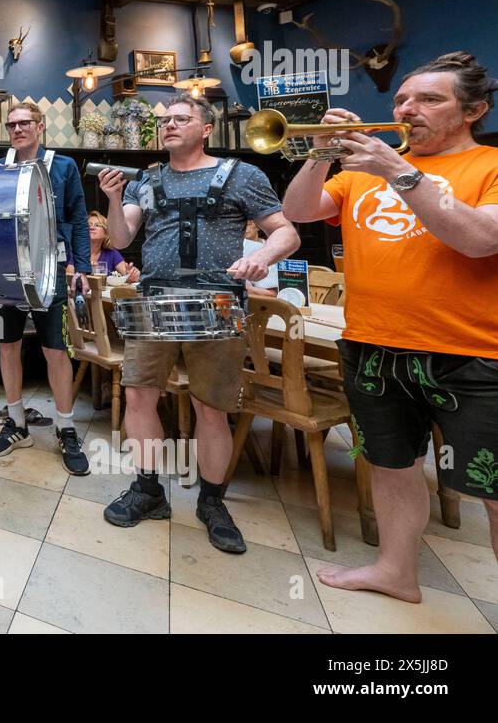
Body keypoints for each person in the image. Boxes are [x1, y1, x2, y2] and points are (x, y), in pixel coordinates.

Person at [281, 52, 498, 601]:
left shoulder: (489, 167)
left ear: (474, 109)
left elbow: (479, 239)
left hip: (473, 354)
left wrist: (400, 172)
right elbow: (299, 211)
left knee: (494, 489)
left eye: (430, 99)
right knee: (390, 466)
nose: (408, 109)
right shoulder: (363, 171)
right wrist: (321, 155)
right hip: (373, 346)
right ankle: (396, 571)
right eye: (402, 99)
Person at [98, 94, 299, 553]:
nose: (168, 125)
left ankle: (212, 502)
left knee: (213, 408)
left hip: (219, 302)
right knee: (139, 396)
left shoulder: (241, 175)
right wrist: (113, 198)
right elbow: (123, 236)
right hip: (154, 298)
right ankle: (148, 491)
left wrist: (263, 258)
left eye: (180, 119)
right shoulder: (145, 181)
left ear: (206, 128)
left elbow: (286, 231)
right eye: (164, 120)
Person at [0, 99, 93, 475]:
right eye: (11, 125)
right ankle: (16, 423)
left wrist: (83, 267)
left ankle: (65, 428)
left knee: (56, 351)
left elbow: (78, 219)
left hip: (51, 272)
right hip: (4, 273)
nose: (17, 130)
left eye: (24, 123)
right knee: (7, 346)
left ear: (40, 126)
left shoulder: (62, 167)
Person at [87, 211, 140, 282]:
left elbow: (126, 273)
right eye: (88, 225)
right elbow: (70, 272)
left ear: (106, 233)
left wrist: (131, 275)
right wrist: (86, 268)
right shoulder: (76, 250)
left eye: (97, 225)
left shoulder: (111, 253)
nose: (92, 228)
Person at [241, 219, 278, 297]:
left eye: (249, 224)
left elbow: (271, 293)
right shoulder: (238, 246)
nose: (245, 228)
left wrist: (240, 287)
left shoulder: (267, 248)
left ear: (258, 227)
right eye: (241, 225)